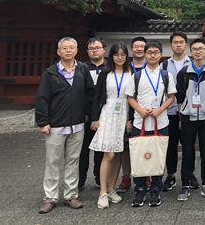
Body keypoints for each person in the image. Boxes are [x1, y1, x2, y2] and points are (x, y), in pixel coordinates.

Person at [35, 37, 95, 214]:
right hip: (55, 125)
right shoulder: (50, 73)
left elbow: (89, 92)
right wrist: (43, 122)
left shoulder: (82, 69)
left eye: (71, 47)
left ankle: (71, 195)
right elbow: (42, 98)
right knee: (52, 161)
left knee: (73, 161)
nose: (68, 50)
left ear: (76, 51)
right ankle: (50, 197)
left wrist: (86, 113)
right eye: (64, 48)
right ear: (58, 52)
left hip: (77, 124)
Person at [126, 41, 176, 208]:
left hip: (160, 121)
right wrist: (139, 110)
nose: (152, 55)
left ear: (161, 55)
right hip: (140, 122)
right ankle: (140, 188)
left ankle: (155, 188)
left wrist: (160, 109)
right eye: (149, 52)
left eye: (156, 52)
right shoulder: (137, 76)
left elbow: (171, 97)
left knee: (157, 155)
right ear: (145, 54)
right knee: (139, 154)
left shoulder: (166, 75)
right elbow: (130, 97)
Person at [175, 38, 205, 201]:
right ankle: (185, 185)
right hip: (188, 117)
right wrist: (181, 116)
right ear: (190, 52)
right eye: (195, 49)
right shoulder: (184, 72)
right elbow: (180, 95)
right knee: (187, 152)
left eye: (201, 48)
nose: (198, 51)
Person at [89, 42, 133, 209]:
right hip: (108, 113)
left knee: (118, 154)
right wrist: (94, 118)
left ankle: (111, 189)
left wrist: (130, 119)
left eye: (122, 54)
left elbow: (132, 98)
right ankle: (102, 192)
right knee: (109, 153)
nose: (120, 57)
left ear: (126, 56)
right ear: (111, 56)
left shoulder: (131, 73)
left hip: (124, 114)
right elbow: (96, 97)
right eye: (116, 54)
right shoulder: (105, 73)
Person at [161, 31, 193, 192]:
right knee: (171, 145)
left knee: (189, 145)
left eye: (181, 42)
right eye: (175, 42)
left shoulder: (193, 62)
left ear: (186, 45)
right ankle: (171, 175)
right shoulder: (164, 65)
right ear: (171, 45)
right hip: (169, 111)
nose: (178, 45)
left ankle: (189, 174)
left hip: (189, 111)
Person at [117, 36, 148, 194]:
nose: (139, 49)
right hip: (126, 111)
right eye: (136, 46)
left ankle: (146, 174)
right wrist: (128, 118)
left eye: (142, 46)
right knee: (126, 147)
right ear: (131, 50)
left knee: (146, 145)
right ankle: (126, 176)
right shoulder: (125, 68)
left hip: (148, 112)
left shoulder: (152, 67)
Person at [79, 37, 106, 191]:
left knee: (101, 150)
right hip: (85, 115)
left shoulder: (109, 68)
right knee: (82, 149)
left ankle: (99, 178)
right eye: (91, 48)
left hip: (104, 114)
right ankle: (80, 180)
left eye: (97, 48)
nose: (94, 51)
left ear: (104, 49)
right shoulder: (81, 68)